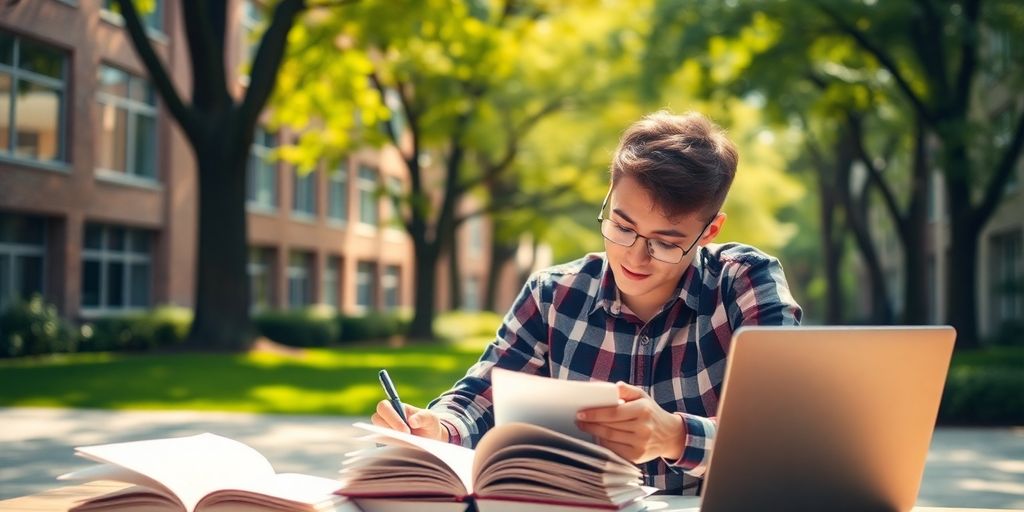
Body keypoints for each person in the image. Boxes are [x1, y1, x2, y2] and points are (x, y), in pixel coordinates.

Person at [371, 111, 803, 494]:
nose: (635, 256)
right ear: (610, 200)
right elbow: (480, 400)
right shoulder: (553, 294)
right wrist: (439, 428)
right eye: (622, 225)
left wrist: (674, 435)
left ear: (709, 231)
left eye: (665, 243)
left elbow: (788, 430)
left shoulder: (744, 282)